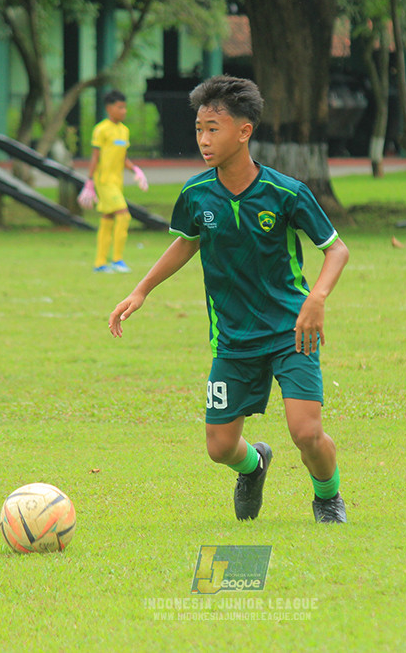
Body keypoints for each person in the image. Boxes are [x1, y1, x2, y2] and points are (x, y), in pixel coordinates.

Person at [107, 76, 350, 523]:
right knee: (219, 447)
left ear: (244, 131)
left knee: (306, 432)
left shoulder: (286, 193)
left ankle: (327, 497)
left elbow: (336, 250)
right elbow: (186, 242)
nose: (203, 139)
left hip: (290, 330)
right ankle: (254, 465)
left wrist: (316, 298)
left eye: (213, 129)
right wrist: (141, 290)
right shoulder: (196, 194)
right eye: (199, 129)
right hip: (233, 337)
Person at [79, 90, 149, 273]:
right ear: (109, 108)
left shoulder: (124, 131)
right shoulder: (101, 129)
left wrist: (136, 170)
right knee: (124, 215)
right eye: (120, 107)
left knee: (108, 218)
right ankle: (117, 260)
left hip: (117, 182)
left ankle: (100, 263)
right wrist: (89, 181)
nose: (123, 111)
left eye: (125, 107)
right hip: (104, 181)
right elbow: (95, 157)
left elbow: (123, 157)